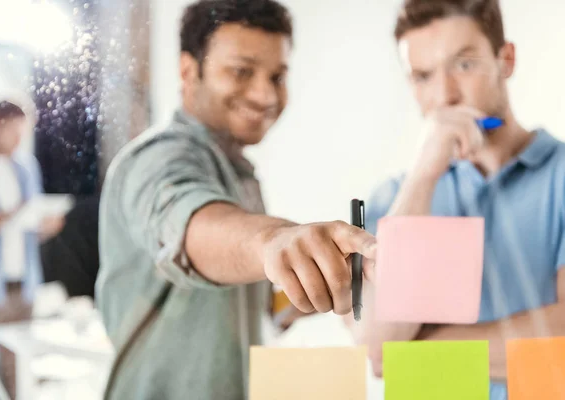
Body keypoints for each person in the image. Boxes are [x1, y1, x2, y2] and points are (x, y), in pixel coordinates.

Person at [96, 1, 377, 399]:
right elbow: (190, 226)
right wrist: (276, 242)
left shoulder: (241, 176)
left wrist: (318, 276)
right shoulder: (157, 158)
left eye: (277, 76)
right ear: (187, 71)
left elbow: (258, 309)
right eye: (241, 71)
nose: (265, 94)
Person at [347, 0, 565, 399]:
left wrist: (421, 348)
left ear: (506, 60)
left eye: (463, 65)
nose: (445, 95)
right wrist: (423, 177)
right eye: (422, 76)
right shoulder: (396, 198)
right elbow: (377, 350)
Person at [0, 100, 64, 398]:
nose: (20, 140)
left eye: (24, 132)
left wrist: (44, 224)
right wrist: (7, 215)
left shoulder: (26, 167)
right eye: (14, 132)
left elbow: (29, 224)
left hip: (23, 282)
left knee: (18, 366)